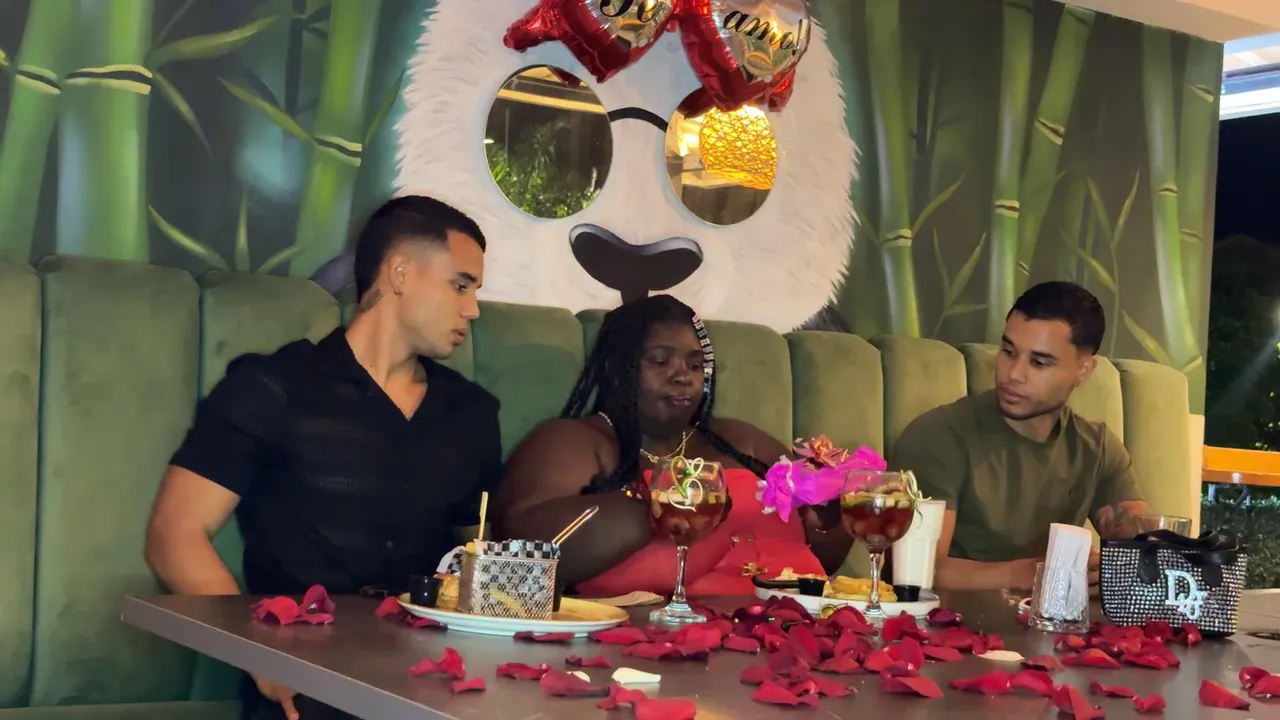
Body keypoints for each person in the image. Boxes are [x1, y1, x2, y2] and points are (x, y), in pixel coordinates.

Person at [144, 196, 501, 720]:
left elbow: (481, 562)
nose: (473, 309)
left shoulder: (471, 413)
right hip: (304, 694)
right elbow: (174, 535)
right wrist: (261, 655)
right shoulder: (272, 388)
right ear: (400, 273)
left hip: (430, 692)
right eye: (461, 285)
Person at [494, 294, 855, 597]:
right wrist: (649, 505)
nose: (684, 376)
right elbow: (520, 552)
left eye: (695, 365)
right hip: (649, 643)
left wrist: (828, 517)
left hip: (793, 631)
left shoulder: (742, 441)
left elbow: (819, 561)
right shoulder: (572, 442)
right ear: (617, 370)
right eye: (660, 360)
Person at [890, 281, 1151, 592]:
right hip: (948, 620)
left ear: (1084, 370)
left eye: (1039, 362)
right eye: (1008, 351)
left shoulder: (1097, 448)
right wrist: (1037, 572)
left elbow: (1141, 540)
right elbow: (916, 573)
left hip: (1051, 621)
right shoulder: (938, 436)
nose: (1013, 373)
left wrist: (1140, 539)